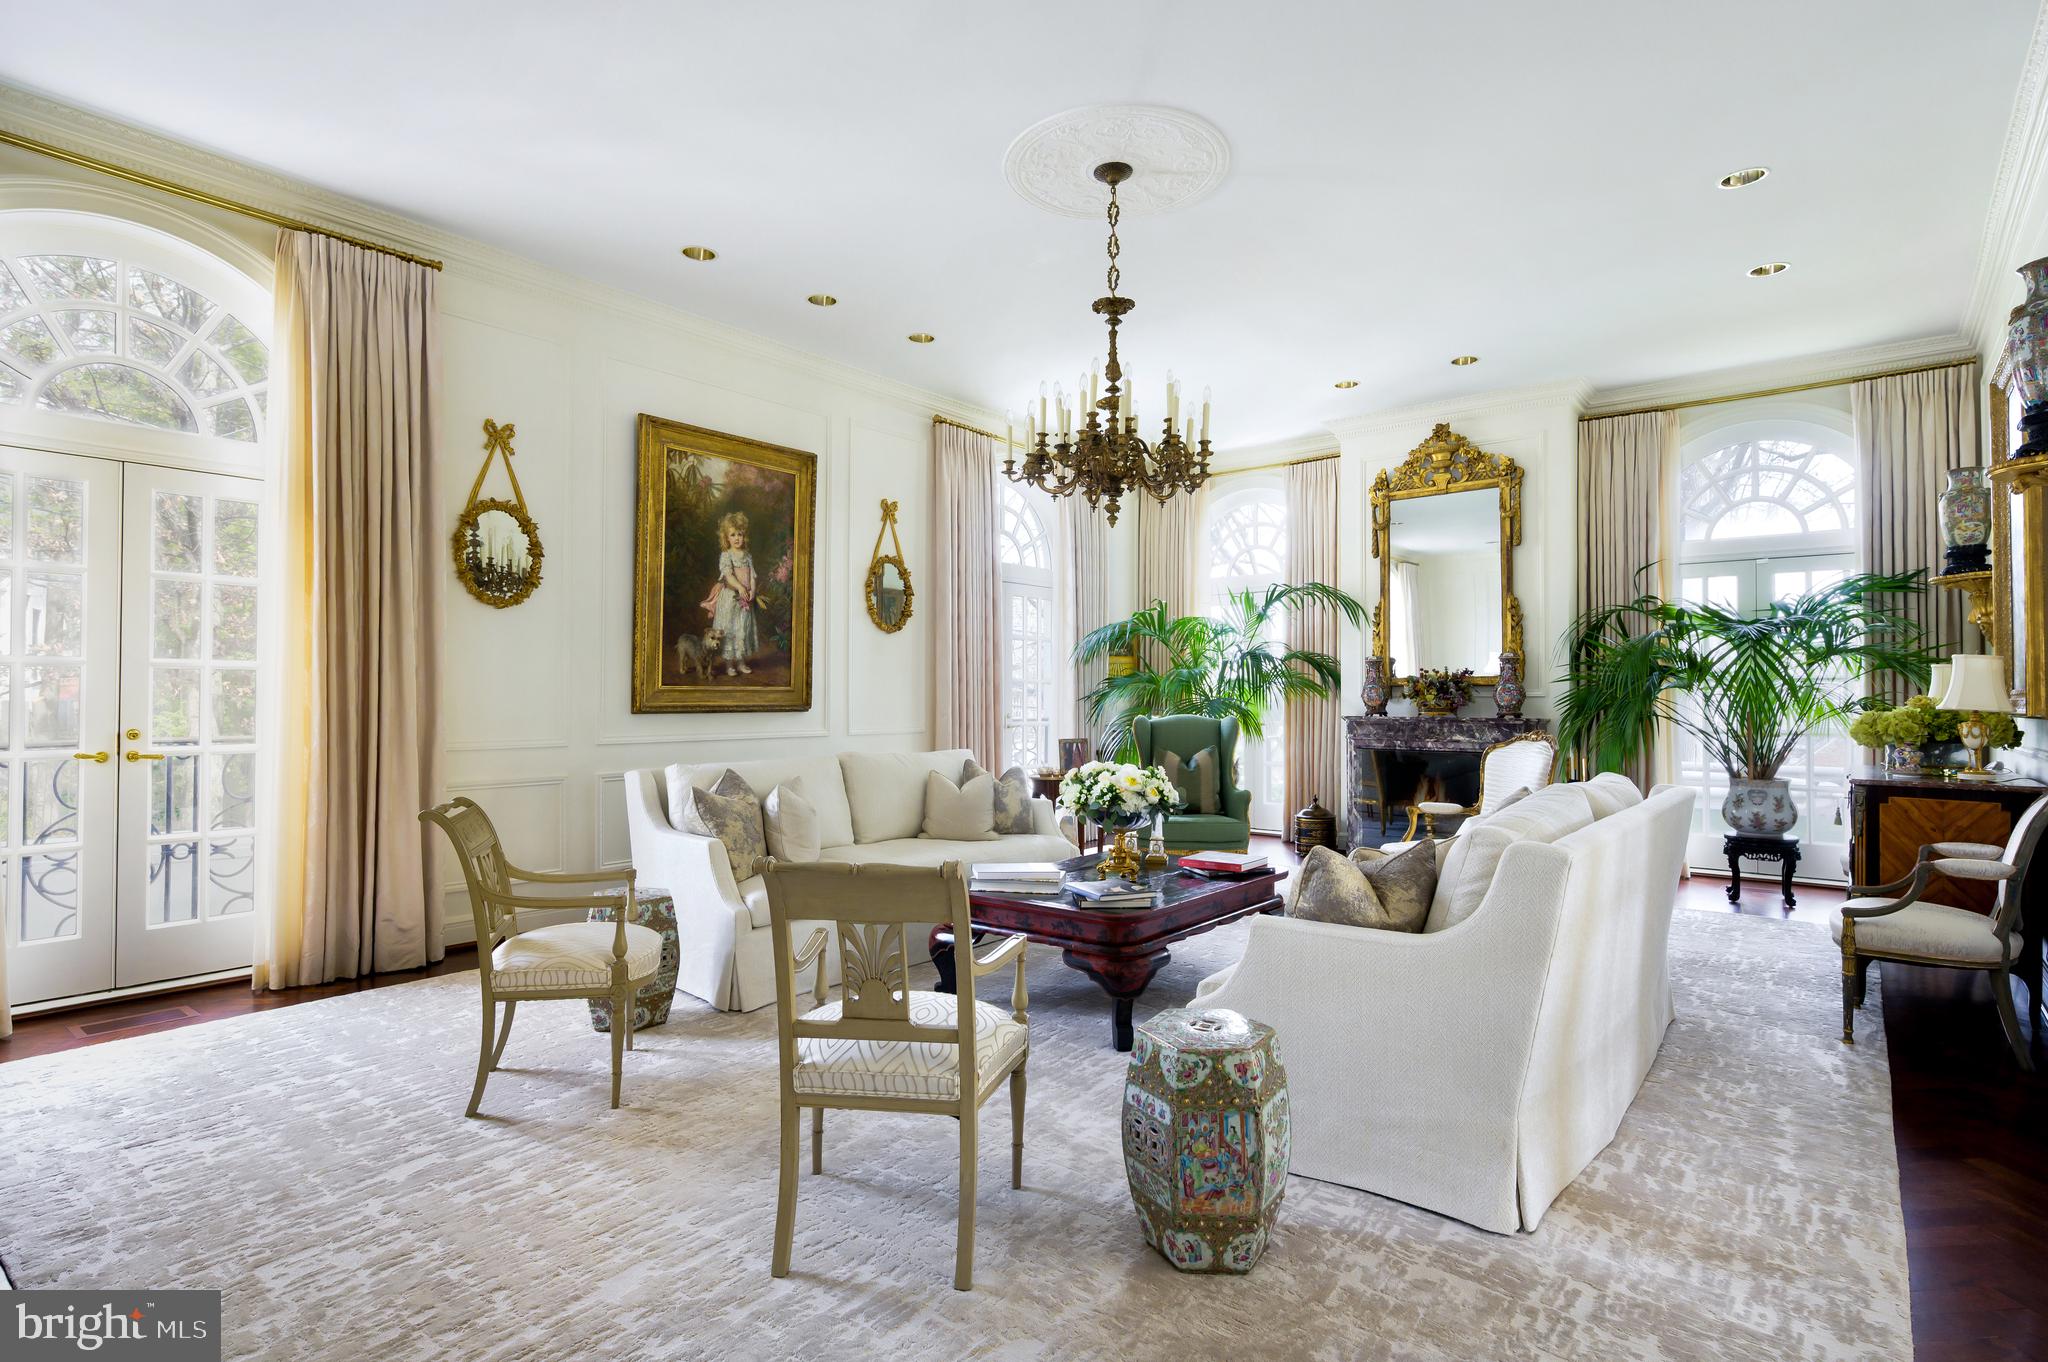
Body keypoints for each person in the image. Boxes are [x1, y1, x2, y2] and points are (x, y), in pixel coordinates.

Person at [699, 510, 759, 675]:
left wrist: (752, 590)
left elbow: (752, 576)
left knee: (742, 629)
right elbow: (728, 575)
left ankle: (741, 662)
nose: (737, 538)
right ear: (726, 538)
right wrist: (740, 587)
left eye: (740, 534)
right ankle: (729, 665)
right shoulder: (726, 555)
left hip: (744, 601)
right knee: (730, 629)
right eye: (733, 535)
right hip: (730, 599)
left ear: (744, 536)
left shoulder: (747, 556)